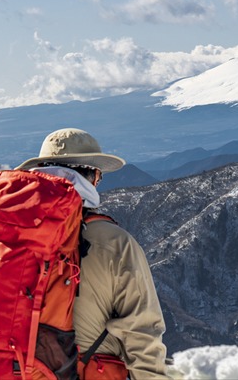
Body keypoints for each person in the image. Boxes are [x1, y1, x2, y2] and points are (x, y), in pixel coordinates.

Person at [16, 128, 169, 380]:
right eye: (98, 176)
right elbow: (143, 337)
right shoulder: (115, 245)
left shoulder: (0, 237)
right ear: (90, 176)